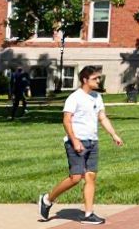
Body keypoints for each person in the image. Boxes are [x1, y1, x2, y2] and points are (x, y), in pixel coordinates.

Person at [38, 65, 123, 225]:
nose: (98, 81)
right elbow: (66, 120)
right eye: (95, 78)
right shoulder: (74, 97)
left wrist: (113, 134)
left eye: (99, 78)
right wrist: (75, 140)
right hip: (76, 142)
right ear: (85, 80)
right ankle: (47, 199)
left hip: (93, 142)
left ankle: (88, 214)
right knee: (75, 178)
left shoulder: (97, 97)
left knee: (91, 177)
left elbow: (102, 117)